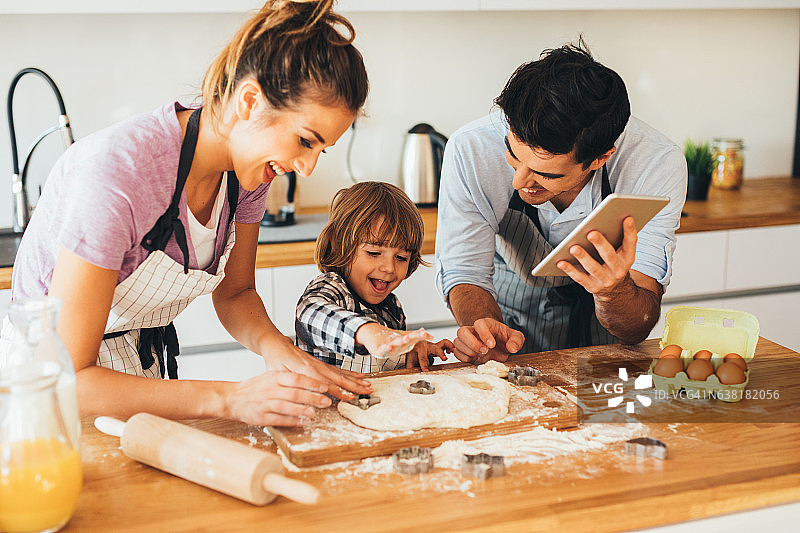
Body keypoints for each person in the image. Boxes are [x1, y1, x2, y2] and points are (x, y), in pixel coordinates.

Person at [0, 0, 375, 427]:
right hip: (51, 389)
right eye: (305, 141)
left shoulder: (248, 172)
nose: (306, 167)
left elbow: (235, 295)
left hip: (140, 370)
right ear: (250, 101)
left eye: (320, 150)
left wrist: (285, 354)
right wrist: (229, 399)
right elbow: (73, 375)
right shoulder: (119, 174)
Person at [435, 39, 687, 364]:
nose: (519, 182)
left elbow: (638, 319)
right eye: (513, 157)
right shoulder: (471, 148)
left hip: (608, 346)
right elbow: (465, 269)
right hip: (511, 314)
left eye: (545, 174)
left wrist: (613, 292)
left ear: (600, 158)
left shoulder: (654, 162)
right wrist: (484, 329)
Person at [295, 181, 454, 372]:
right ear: (338, 245)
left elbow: (386, 364)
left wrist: (411, 351)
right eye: (373, 253)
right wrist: (365, 331)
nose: (389, 268)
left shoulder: (392, 308)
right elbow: (309, 312)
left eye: (401, 257)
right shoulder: (333, 287)